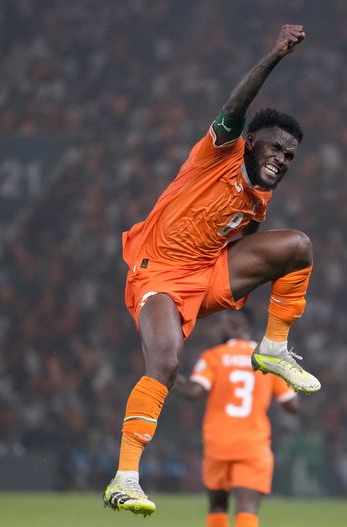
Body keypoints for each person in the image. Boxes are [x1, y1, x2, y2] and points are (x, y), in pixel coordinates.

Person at [102, 24, 320, 516]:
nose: (282, 159)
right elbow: (237, 104)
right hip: (158, 275)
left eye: (290, 156)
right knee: (166, 364)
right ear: (249, 143)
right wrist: (275, 55)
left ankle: (274, 347)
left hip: (208, 274)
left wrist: (244, 275)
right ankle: (125, 477)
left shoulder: (260, 198)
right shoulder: (217, 152)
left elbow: (241, 243)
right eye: (275, 149)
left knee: (298, 247)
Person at [175, 309, 299, 527]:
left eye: (222, 324)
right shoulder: (268, 360)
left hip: (218, 443)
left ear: (232, 326)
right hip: (253, 445)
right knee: (247, 510)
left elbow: (195, 392)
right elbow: (291, 405)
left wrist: (170, 377)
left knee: (218, 507)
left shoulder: (214, 356)